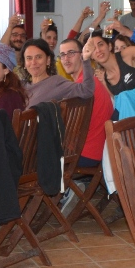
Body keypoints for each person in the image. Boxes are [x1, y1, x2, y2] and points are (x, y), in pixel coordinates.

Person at [58, 38, 114, 172]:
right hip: (99, 151)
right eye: (63, 55)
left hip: (85, 153)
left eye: (71, 53)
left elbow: (70, 129)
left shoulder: (82, 87)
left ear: (82, 55)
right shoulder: (89, 81)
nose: (66, 59)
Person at [89, 22, 135, 118]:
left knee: (123, 97)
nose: (98, 50)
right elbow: (119, 105)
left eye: (100, 44)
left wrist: (128, 33)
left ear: (109, 46)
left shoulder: (126, 55)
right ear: (91, 56)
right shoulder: (106, 78)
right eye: (93, 48)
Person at [22, 38, 97, 107]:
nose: (33, 62)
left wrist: (86, 59)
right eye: (29, 58)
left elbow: (86, 90)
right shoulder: (20, 86)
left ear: (48, 60)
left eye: (38, 57)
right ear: (24, 63)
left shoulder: (56, 83)